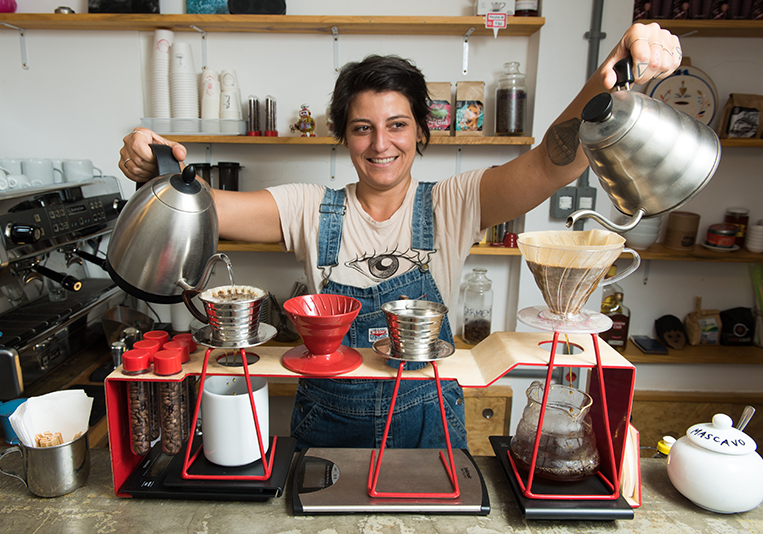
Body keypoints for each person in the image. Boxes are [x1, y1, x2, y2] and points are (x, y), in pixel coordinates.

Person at [119, 23, 681, 451]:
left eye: (397, 125)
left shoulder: (453, 203)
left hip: (428, 423)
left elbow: (552, 163)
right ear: (344, 137)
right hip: (329, 424)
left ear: (420, 133)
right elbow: (207, 206)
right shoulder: (309, 207)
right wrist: (155, 171)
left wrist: (608, 72)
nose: (380, 143)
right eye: (362, 127)